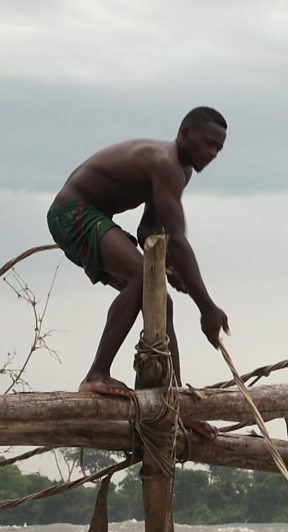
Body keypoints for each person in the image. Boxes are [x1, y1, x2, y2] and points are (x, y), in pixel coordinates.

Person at [46, 107, 230, 439]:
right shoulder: (165, 163)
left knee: (160, 300)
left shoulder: (179, 172)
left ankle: (171, 404)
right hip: (72, 212)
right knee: (143, 279)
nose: (213, 153)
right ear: (185, 133)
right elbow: (177, 241)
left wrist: (172, 272)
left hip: (95, 216)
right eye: (208, 143)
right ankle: (96, 374)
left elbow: (149, 231)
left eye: (218, 148)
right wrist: (207, 308)